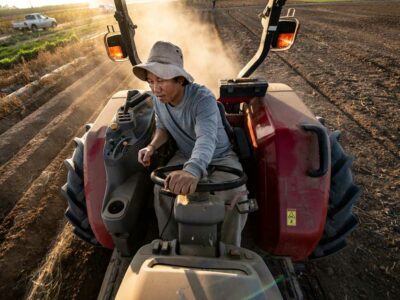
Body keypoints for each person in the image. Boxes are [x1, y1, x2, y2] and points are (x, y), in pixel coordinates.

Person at [134, 41, 247, 246]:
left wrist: (192, 171)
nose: (155, 88)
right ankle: (169, 244)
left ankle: (231, 250)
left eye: (160, 80)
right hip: (185, 154)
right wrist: (151, 147)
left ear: (180, 79)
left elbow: (206, 138)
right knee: (162, 190)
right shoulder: (159, 100)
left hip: (219, 155)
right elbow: (163, 128)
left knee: (235, 194)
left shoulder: (202, 99)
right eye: (150, 81)